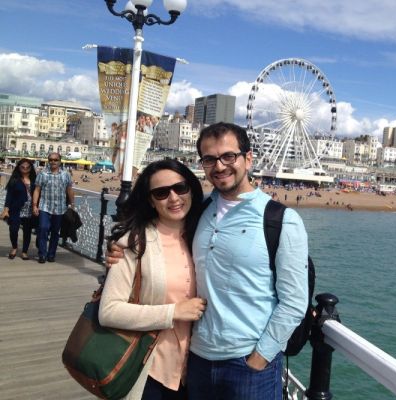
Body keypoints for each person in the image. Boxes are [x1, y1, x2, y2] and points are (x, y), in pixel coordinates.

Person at [108, 122, 309, 399]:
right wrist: (121, 250)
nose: (220, 166)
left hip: (249, 364)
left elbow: (295, 300)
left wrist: (260, 357)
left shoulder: (281, 220)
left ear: (248, 158)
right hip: (197, 360)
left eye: (229, 156)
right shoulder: (199, 211)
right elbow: (160, 236)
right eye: (210, 159)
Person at [99, 159, 207, 400]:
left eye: (180, 188)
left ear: (191, 189)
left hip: (196, 371)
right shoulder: (135, 242)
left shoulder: (204, 235)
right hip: (149, 368)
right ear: (150, 200)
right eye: (161, 193)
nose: (174, 198)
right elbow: (108, 311)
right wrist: (173, 312)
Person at [32, 153, 75, 263]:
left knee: (55, 232)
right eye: (51, 160)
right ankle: (42, 254)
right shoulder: (42, 174)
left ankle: (51, 254)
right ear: (48, 161)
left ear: (60, 161)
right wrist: (34, 205)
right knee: (43, 228)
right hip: (44, 206)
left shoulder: (66, 175)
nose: (53, 162)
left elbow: (69, 190)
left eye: (55, 160)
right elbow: (37, 190)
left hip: (60, 208)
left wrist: (72, 204)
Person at [1, 158, 37, 260]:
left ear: (31, 168)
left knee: (27, 231)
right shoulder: (14, 180)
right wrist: (6, 209)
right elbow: (9, 196)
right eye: (22, 167)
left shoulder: (35, 180)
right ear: (19, 167)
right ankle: (14, 247)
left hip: (29, 210)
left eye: (27, 167)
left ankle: (24, 251)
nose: (25, 168)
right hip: (16, 209)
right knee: (13, 229)